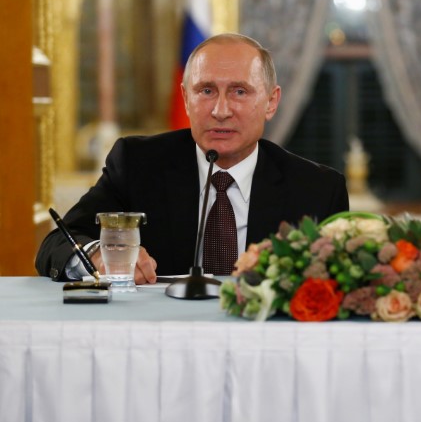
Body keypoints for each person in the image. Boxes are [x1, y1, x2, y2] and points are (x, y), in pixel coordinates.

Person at [37, 33, 349, 283]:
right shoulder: (138, 164)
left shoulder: (318, 189)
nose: (221, 110)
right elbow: (56, 245)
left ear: (271, 102)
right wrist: (96, 256)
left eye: (240, 92)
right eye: (206, 91)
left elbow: (340, 283)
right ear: (186, 99)